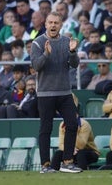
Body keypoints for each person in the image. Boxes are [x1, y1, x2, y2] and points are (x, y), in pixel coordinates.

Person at [31, 12, 82, 173]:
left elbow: (74, 65)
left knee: (73, 124)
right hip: (45, 93)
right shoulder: (38, 43)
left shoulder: (67, 41)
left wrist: (73, 52)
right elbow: (36, 66)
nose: (53, 25)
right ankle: (45, 165)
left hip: (65, 92)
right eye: (50, 22)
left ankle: (67, 162)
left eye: (56, 23)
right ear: (45, 24)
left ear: (61, 25)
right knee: (45, 129)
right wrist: (46, 54)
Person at [51, 94, 100, 170]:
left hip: (89, 152)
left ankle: (82, 172)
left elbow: (81, 145)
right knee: (58, 154)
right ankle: (53, 172)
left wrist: (72, 128)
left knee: (81, 153)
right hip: (71, 150)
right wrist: (70, 149)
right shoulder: (62, 125)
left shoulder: (84, 124)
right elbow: (60, 144)